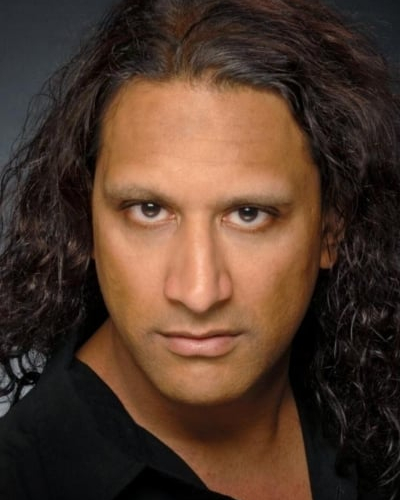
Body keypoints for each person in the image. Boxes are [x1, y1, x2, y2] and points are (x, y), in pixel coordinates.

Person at [0, 0, 399, 498]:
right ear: (85, 220)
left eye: (248, 214)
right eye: (149, 209)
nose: (198, 292)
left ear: (331, 230)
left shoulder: (374, 403)